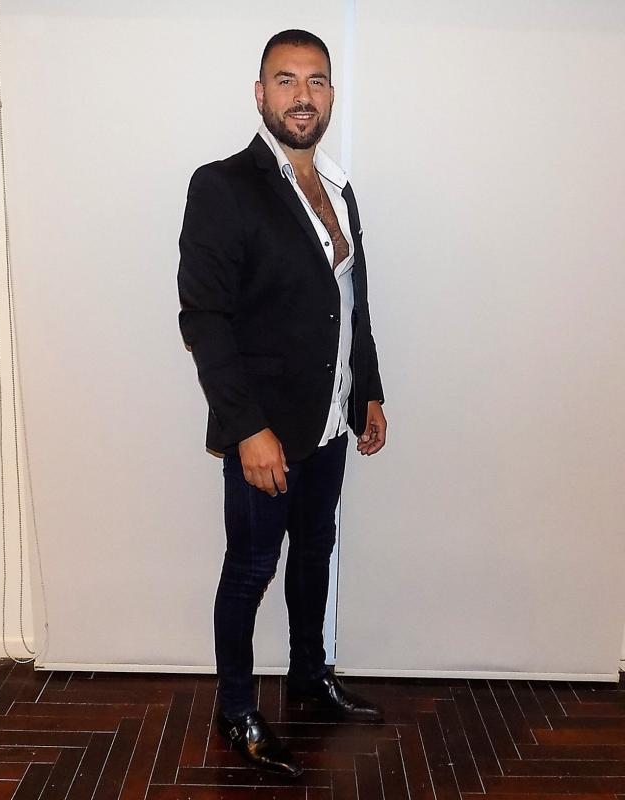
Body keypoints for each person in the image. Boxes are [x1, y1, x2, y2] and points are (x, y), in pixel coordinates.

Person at [177, 29, 387, 778]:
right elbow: (204, 317)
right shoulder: (223, 185)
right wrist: (247, 429)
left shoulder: (339, 188)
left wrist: (368, 390)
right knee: (250, 569)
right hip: (264, 429)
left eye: (317, 80)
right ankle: (236, 709)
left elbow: (351, 302)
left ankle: (307, 674)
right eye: (286, 80)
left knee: (316, 551)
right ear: (260, 94)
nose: (303, 95)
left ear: (331, 94)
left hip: (329, 419)